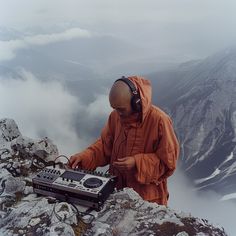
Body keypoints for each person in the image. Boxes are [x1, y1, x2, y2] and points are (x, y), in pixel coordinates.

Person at [69, 76, 179, 205]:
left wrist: (137, 163)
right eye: (115, 108)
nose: (118, 113)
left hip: (148, 199)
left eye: (121, 109)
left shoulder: (160, 121)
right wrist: (84, 157)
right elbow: (104, 146)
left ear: (136, 102)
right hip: (117, 191)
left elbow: (168, 163)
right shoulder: (115, 116)